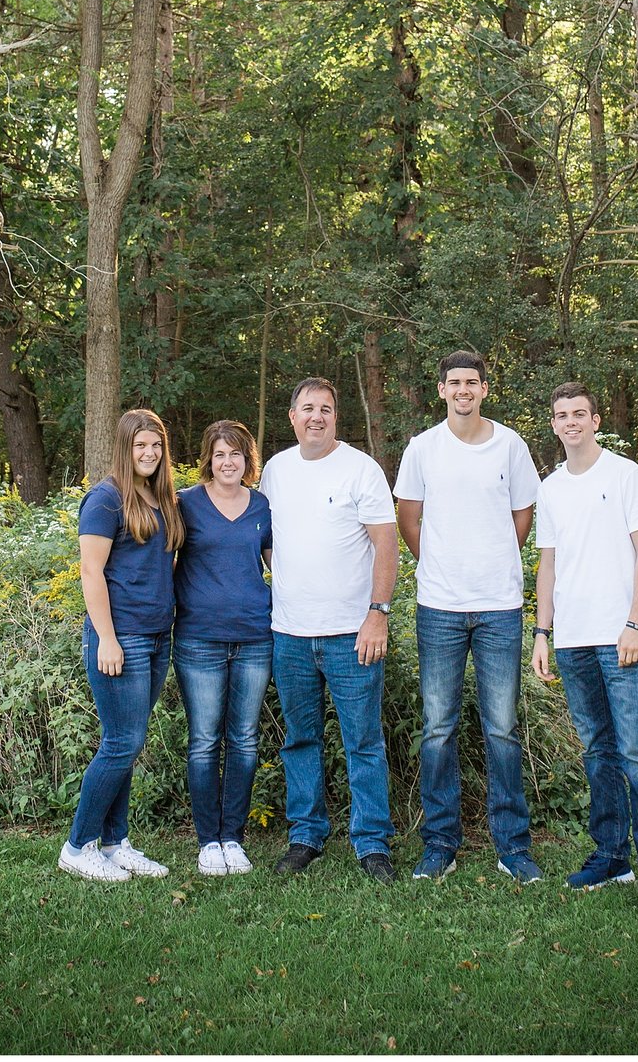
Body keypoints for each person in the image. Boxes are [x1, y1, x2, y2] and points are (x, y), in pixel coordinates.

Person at [394, 350, 542, 884]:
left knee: (501, 728)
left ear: (484, 389)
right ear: (441, 390)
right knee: (438, 728)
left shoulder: (511, 445)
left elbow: (521, 516)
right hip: (439, 606)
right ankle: (440, 845)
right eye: (454, 382)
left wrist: (494, 558)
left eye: (472, 382)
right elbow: (409, 518)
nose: (463, 390)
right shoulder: (422, 448)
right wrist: (438, 562)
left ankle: (514, 848)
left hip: (500, 607)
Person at [532, 381, 638, 913]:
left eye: (579, 414)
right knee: (597, 753)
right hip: (572, 641)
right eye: (561, 415)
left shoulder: (626, 475)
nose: (570, 422)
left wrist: (635, 624)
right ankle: (612, 857)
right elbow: (548, 564)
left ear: (595, 421)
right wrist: (543, 633)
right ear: (554, 424)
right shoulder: (550, 488)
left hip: (623, 640)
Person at [258, 377, 399, 884]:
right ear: (291, 416)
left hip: (352, 634)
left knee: (362, 740)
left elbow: (387, 544)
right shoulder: (275, 470)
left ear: (336, 417)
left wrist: (377, 612)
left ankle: (372, 843)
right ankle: (306, 836)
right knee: (301, 740)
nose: (317, 416)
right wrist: (288, 574)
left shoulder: (361, 469)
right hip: (290, 633)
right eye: (307, 408)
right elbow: (269, 539)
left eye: (326, 409)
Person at [58, 408, 184, 883]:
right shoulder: (106, 499)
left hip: (156, 635)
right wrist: (107, 639)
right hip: (120, 637)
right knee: (121, 743)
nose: (149, 453)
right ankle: (78, 845)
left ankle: (115, 842)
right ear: (124, 448)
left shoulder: (158, 497)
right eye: (140, 446)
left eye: (156, 445)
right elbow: (91, 574)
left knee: (127, 744)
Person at [173, 420, 273, 877]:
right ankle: (207, 841)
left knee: (246, 741)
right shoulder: (186, 505)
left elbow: (281, 565)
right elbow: (160, 560)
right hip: (199, 639)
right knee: (204, 741)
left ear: (247, 460)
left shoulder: (263, 506)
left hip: (255, 636)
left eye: (235, 454)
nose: (227, 462)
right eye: (219, 455)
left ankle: (233, 837)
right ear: (207, 461)